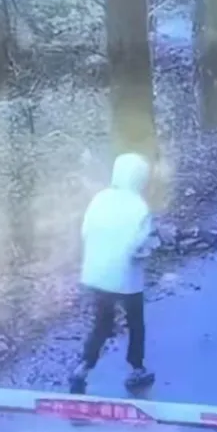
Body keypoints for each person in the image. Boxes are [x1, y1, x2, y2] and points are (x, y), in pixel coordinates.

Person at [68, 152, 157, 395]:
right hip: (126, 277)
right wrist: (150, 248)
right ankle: (136, 367)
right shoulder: (139, 207)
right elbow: (140, 247)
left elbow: (86, 232)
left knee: (102, 323)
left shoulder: (99, 199)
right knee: (135, 322)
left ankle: (83, 367)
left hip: (97, 274)